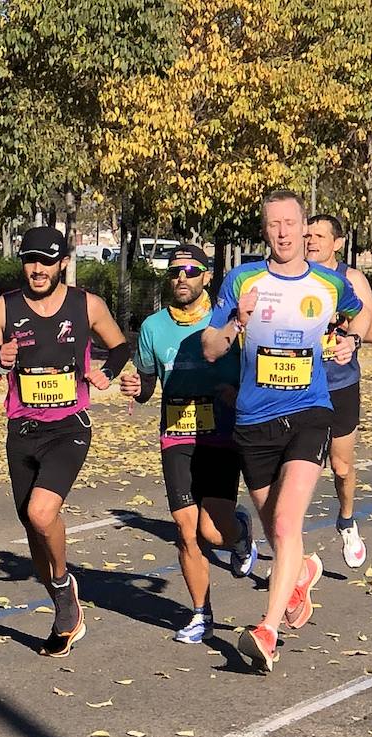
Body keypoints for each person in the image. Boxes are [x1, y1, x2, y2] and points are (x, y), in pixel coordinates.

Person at [203, 190, 372, 673]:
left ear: (304, 229)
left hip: (310, 413)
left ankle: (267, 630)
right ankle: (302, 572)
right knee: (276, 525)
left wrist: (349, 341)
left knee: (284, 524)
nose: (282, 232)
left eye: (290, 223)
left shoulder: (327, 282)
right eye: (273, 224)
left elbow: (359, 314)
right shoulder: (243, 279)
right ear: (265, 230)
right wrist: (238, 320)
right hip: (254, 420)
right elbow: (213, 348)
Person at [0, 225, 130, 656]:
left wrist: (106, 373)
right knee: (33, 529)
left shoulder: (86, 305)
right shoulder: (4, 308)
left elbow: (119, 348)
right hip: (22, 430)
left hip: (69, 427)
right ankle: (66, 609)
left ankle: (63, 590)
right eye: (29, 260)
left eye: (46, 260)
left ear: (63, 262)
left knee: (43, 513)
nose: (37, 269)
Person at [119, 244, 256, 644]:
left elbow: (255, 369)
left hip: (221, 434)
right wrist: (135, 386)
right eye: (175, 271)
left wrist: (239, 391)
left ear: (206, 277)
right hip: (176, 432)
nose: (182, 277)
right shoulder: (152, 327)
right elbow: (146, 383)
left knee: (215, 534)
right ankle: (201, 614)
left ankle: (240, 530)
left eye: (191, 270)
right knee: (185, 529)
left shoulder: (229, 321)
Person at [304, 214, 372, 570]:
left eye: (320, 236)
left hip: (340, 383)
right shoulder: (294, 276)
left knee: (339, 467)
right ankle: (293, 547)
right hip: (298, 384)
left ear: (337, 243)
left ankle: (347, 520)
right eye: (308, 235)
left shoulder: (351, 278)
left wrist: (348, 330)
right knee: (296, 468)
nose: (311, 241)